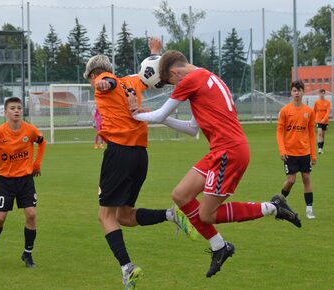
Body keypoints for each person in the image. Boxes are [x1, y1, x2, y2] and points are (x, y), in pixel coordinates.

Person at [132, 50, 301, 278]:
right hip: (220, 151)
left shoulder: (189, 80)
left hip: (228, 152)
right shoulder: (207, 77)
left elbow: (160, 115)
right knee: (181, 195)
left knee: (207, 214)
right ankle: (219, 247)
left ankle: (273, 207)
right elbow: (193, 129)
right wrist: (151, 115)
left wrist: (135, 114)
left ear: (175, 72)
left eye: (172, 82)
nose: (175, 87)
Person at [83, 39, 197, 290]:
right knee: (124, 216)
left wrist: (103, 82)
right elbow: (152, 73)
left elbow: (107, 82)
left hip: (120, 153)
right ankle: (171, 215)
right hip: (139, 156)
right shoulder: (133, 81)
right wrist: (155, 52)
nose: (93, 83)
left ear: (94, 73)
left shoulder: (104, 79)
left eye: (91, 78)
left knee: (104, 216)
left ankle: (127, 268)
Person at [0, 97, 46, 268]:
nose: (16, 111)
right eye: (12, 108)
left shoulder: (29, 130)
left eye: (19, 108)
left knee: (31, 214)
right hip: (6, 181)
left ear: (22, 111)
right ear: (6, 112)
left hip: (26, 180)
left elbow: (42, 142)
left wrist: (37, 163)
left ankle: (27, 254)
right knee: (0, 219)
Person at [277, 80, 317, 220]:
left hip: (304, 152)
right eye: (294, 90)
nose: (297, 93)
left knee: (306, 178)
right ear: (291, 92)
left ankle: (309, 209)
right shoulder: (285, 110)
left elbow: (312, 134)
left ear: (303, 92)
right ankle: (279, 202)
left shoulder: (309, 111)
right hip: (290, 153)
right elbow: (279, 132)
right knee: (291, 180)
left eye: (299, 90)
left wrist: (313, 155)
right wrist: (282, 150)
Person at [313, 89, 331, 154]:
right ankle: (319, 149)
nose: (321, 95)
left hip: (325, 121)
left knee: (323, 135)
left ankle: (321, 148)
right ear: (319, 94)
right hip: (318, 120)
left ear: (324, 94)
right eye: (320, 93)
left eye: (323, 93)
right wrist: (313, 120)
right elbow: (314, 111)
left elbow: (328, 112)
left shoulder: (328, 102)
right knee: (319, 133)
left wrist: (324, 119)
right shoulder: (316, 102)